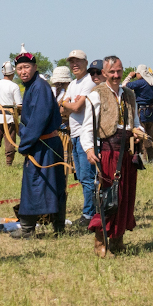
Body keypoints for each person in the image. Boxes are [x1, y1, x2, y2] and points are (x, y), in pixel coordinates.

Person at [80, 56, 147, 256]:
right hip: (108, 152)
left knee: (125, 196)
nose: (116, 75)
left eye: (119, 71)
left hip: (127, 152)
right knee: (108, 197)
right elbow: (87, 127)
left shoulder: (129, 95)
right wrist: (89, 150)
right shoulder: (96, 94)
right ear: (104, 73)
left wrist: (139, 130)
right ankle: (100, 242)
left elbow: (135, 121)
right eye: (112, 72)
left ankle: (117, 240)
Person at [13, 51, 68, 237]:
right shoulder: (32, 87)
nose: (23, 71)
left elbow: (38, 120)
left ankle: (29, 229)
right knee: (49, 183)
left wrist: (25, 144)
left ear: (35, 67)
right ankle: (56, 227)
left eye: (26, 67)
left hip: (44, 144)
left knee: (35, 183)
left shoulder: (40, 87)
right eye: (19, 68)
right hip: (42, 143)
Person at [61, 49, 96, 228]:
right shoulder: (73, 84)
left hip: (85, 135)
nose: (74, 65)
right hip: (74, 134)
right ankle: (91, 211)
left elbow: (75, 107)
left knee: (88, 177)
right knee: (82, 176)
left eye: (78, 61)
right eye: (72, 62)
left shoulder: (89, 81)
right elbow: (64, 108)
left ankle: (89, 214)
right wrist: (69, 105)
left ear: (86, 62)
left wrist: (67, 104)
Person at [126, 65, 153, 163]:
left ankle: (143, 159)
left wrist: (129, 76)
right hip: (151, 111)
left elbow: (124, 86)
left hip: (141, 111)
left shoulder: (140, 83)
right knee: (151, 136)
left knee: (141, 134)